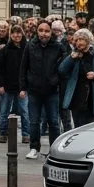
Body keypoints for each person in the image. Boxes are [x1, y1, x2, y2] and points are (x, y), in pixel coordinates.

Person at [18, 20, 64, 159]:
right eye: (41, 30)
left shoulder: (58, 47)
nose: (44, 34)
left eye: (47, 31)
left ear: (51, 32)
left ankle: (54, 149)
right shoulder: (30, 46)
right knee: (34, 121)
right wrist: (23, 87)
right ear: (37, 32)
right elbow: (23, 66)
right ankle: (34, 148)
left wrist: (55, 80)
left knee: (53, 122)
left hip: (52, 90)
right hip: (34, 89)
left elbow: (63, 67)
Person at [59, 28, 94, 127]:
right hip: (77, 99)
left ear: (88, 41)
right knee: (79, 128)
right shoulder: (74, 55)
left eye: (81, 39)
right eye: (76, 40)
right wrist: (71, 58)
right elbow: (62, 70)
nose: (78, 43)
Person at [0, 24, 30, 144]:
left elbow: (29, 68)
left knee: (25, 111)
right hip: (7, 84)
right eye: (14, 33)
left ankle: (26, 134)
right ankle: (3, 133)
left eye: (19, 33)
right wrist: (0, 84)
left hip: (22, 86)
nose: (16, 35)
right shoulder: (5, 49)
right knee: (4, 111)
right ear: (11, 35)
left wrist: (25, 86)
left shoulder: (27, 48)